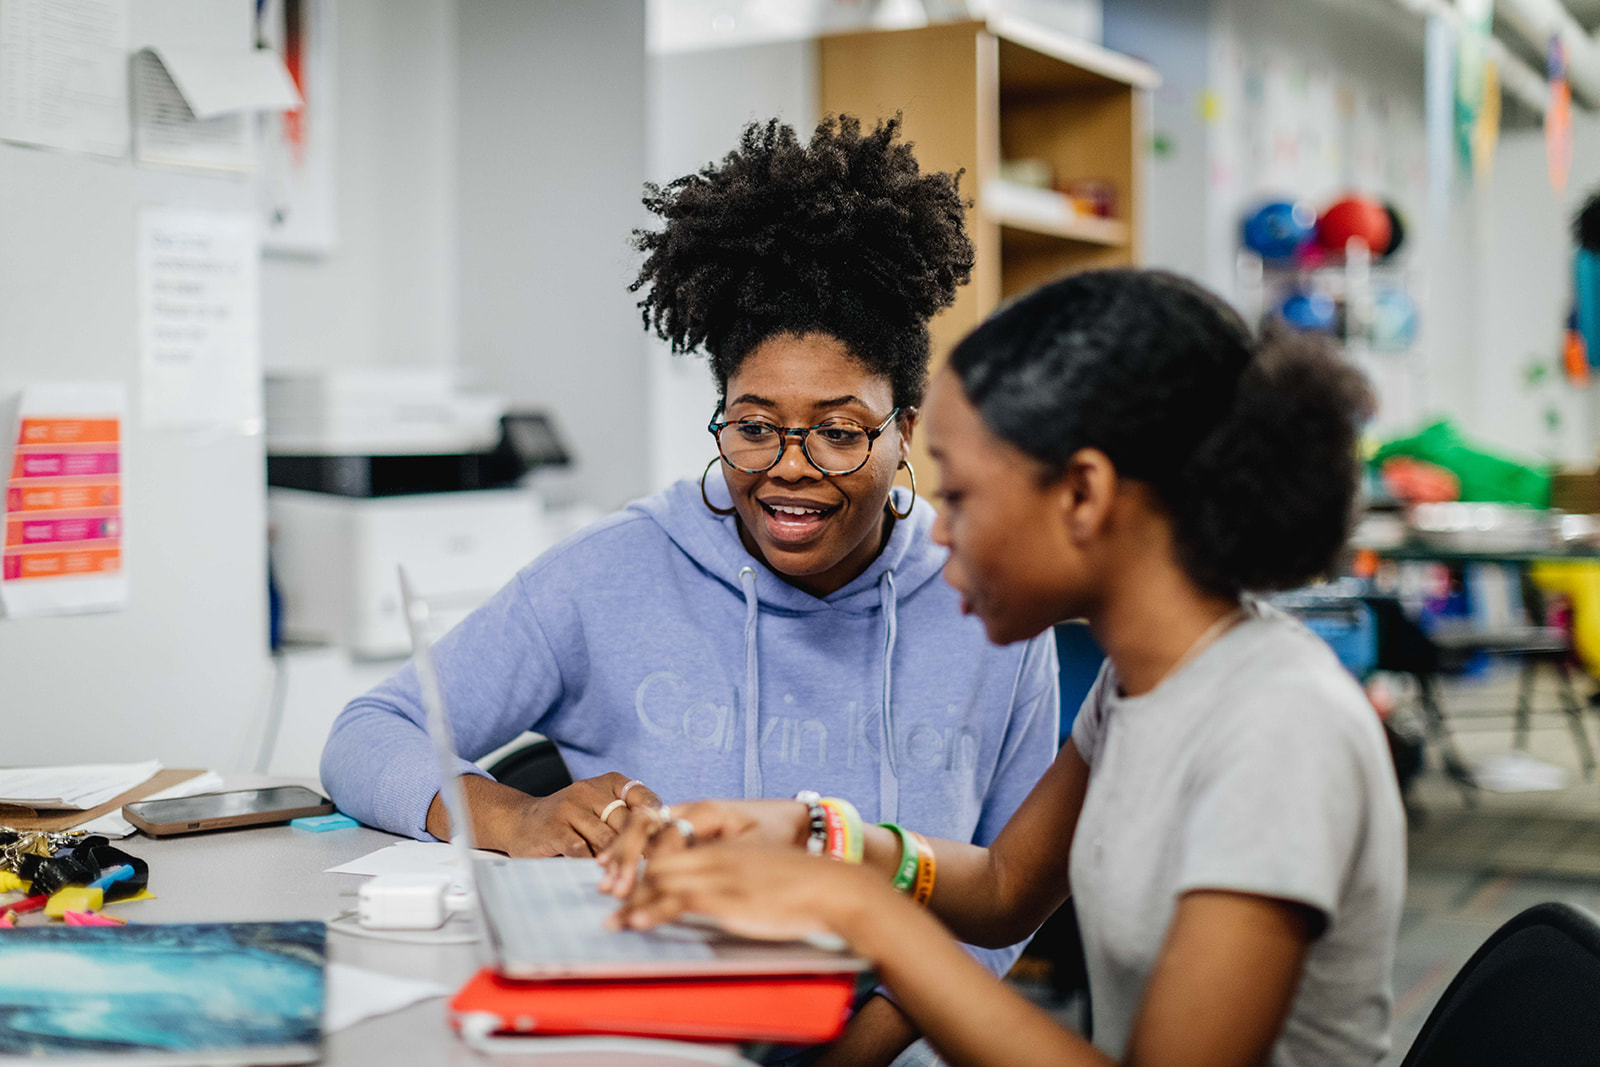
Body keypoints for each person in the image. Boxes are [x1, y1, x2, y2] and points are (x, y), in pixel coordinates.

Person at [319, 116, 1060, 1066]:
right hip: (649, 1046)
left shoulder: (992, 609)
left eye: (837, 432)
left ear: (905, 429)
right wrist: (513, 814)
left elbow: (1007, 898)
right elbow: (364, 733)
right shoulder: (616, 570)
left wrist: (851, 1057)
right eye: (754, 426)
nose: (789, 470)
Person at [602, 269, 1407, 1067]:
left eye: (960, 494)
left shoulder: (1278, 729)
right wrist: (819, 833)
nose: (940, 531)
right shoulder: (1142, 684)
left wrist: (860, 911)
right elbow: (1003, 888)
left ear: (1083, 494)